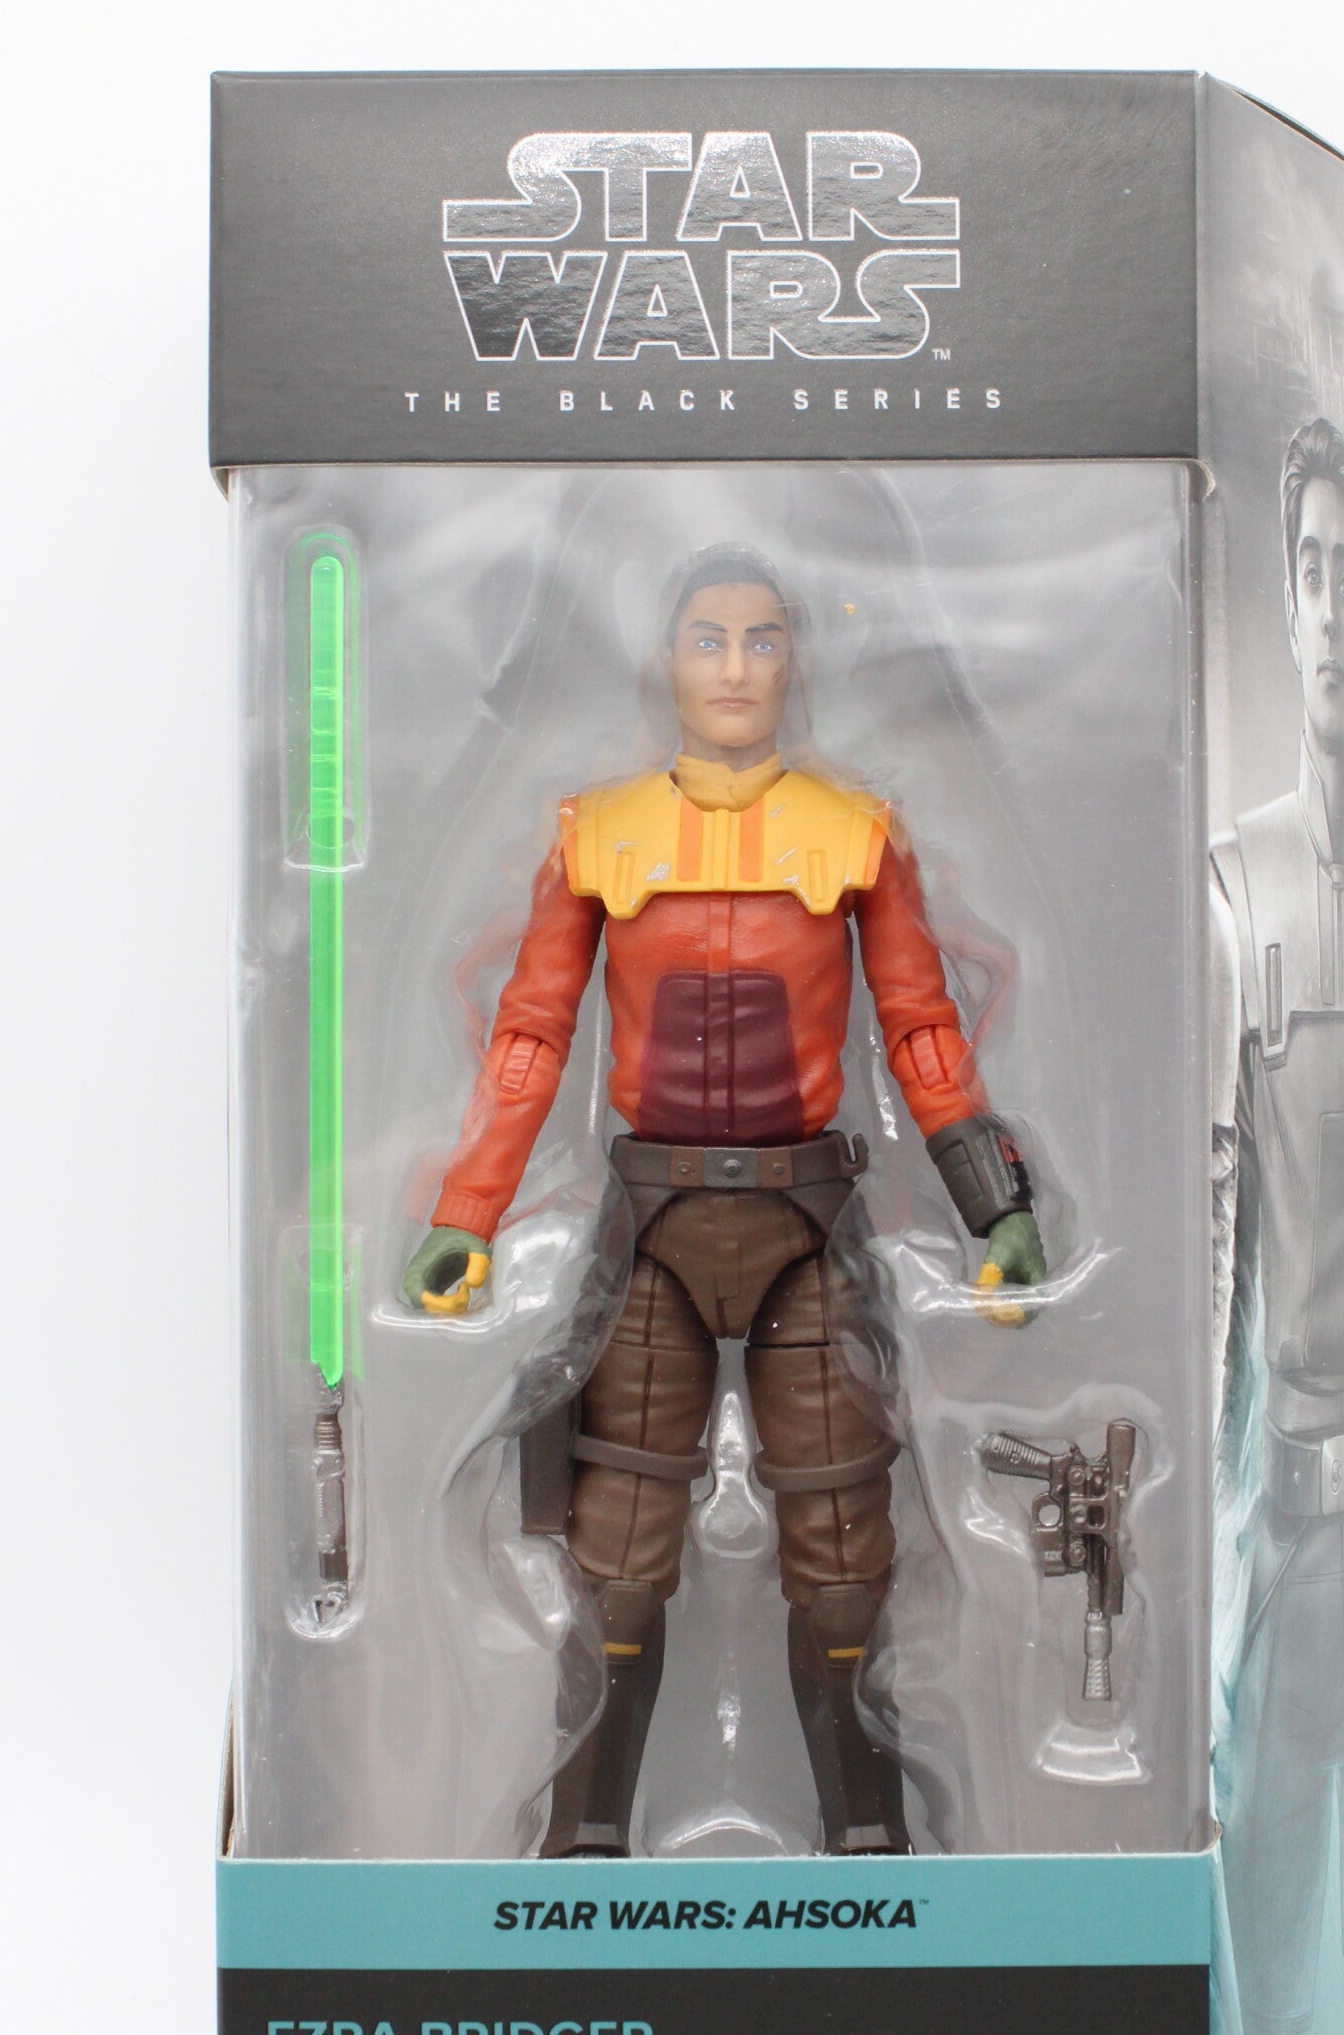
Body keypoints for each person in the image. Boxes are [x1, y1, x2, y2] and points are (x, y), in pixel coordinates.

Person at [404, 545, 1046, 1858]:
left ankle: (870, 1844)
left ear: (796, 662)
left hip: (809, 1228)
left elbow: (921, 1028)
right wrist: (467, 1216)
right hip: (654, 1231)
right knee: (616, 1557)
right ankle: (584, 1845)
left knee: (845, 1553)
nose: (738, 668)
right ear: (668, 663)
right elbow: (531, 1034)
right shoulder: (597, 836)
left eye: (763, 640)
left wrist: (996, 1206)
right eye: (710, 640)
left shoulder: (856, 834)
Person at [1211, 421, 1344, 2035]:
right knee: (1266, 1980)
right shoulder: (1236, 881)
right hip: (1277, 1539)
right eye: (1312, 572)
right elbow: (1217, 1246)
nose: (1335, 609)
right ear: (1286, 609)